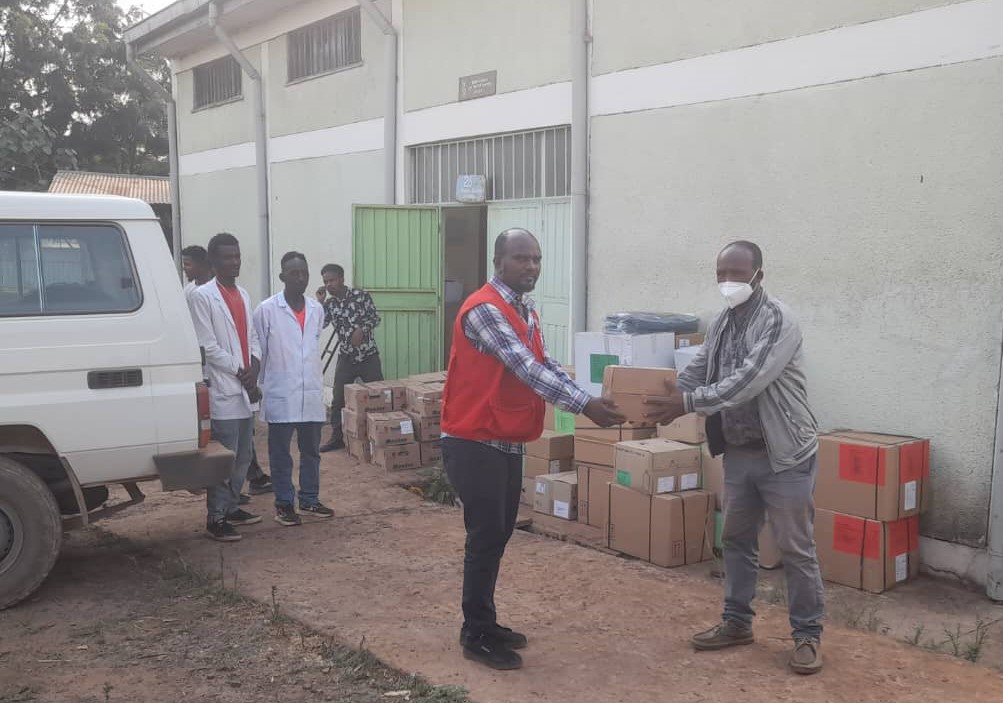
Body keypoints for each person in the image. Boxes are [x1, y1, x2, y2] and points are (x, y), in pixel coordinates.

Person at [440, 228, 625, 671]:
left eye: (537, 259)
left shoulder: (524, 309)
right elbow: (524, 368)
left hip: (503, 438)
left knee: (499, 533)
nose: (531, 267)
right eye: (522, 258)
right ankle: (475, 633)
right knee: (485, 537)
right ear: (499, 262)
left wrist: (585, 394)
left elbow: (544, 364)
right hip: (473, 440)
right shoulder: (485, 309)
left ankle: (486, 621)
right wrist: (585, 406)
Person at [644, 240, 824, 675]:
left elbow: (748, 381)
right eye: (722, 274)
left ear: (759, 274)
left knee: (795, 548)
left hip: (784, 454)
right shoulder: (724, 321)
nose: (729, 282)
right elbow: (701, 368)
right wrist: (668, 390)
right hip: (741, 452)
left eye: (738, 274)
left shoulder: (778, 321)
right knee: (737, 540)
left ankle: (807, 636)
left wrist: (687, 403)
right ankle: (737, 622)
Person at [183, 243, 272, 502]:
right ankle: (218, 516)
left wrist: (254, 367)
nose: (235, 262)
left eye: (237, 256)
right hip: (224, 386)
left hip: (245, 386)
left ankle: (232, 506)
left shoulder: (242, 294)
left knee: (244, 455)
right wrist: (239, 370)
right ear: (213, 261)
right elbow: (207, 346)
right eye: (228, 257)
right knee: (224, 457)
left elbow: (252, 335)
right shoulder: (202, 296)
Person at [253, 252, 335, 527]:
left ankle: (310, 498)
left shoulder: (316, 309)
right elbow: (259, 351)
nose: (300, 278)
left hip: (310, 391)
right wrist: (258, 384)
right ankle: (284, 504)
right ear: (282, 277)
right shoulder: (266, 310)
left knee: (311, 451)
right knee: (280, 454)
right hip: (282, 392)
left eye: (304, 273)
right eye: (294, 273)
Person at [315, 263, 383, 452]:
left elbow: (375, 318)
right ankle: (337, 438)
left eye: (332, 280)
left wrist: (362, 329)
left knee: (378, 396)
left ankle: (382, 435)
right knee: (338, 400)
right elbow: (320, 325)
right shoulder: (330, 304)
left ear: (342, 279)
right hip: (346, 358)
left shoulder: (361, 296)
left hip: (368, 355)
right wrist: (319, 303)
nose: (329, 285)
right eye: (325, 282)